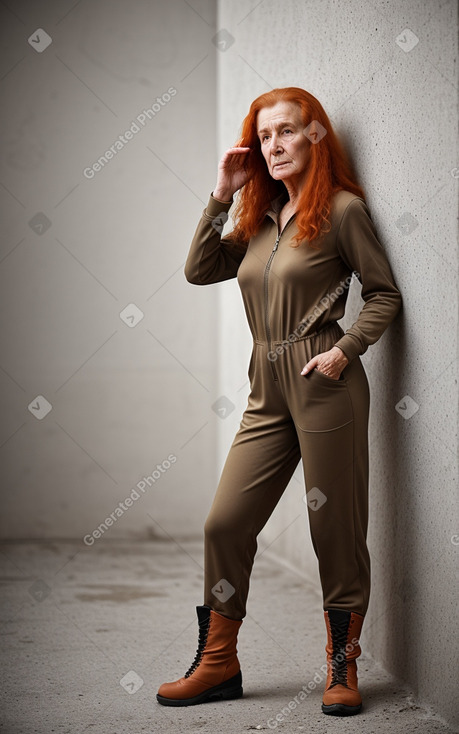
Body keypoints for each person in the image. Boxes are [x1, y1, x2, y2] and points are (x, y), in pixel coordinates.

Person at [156, 86, 402, 716]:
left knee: (334, 529)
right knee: (225, 523)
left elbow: (383, 295)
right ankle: (218, 663)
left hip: (326, 383)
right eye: (264, 136)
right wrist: (222, 192)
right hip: (266, 390)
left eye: (287, 131)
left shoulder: (342, 211)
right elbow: (198, 268)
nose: (274, 145)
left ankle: (342, 671)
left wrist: (346, 349)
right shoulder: (259, 220)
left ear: (314, 135)